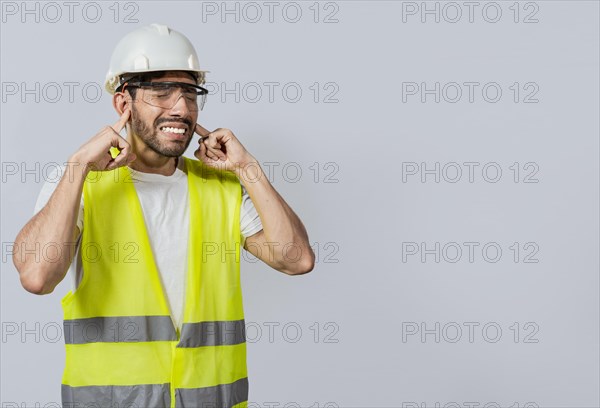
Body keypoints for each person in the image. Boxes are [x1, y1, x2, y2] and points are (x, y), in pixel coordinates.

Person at [12, 23, 314, 408]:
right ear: (124, 105)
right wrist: (76, 166)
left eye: (190, 93)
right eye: (162, 92)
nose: (182, 108)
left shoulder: (223, 188)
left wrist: (249, 169)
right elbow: (37, 276)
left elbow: (297, 259)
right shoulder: (79, 184)